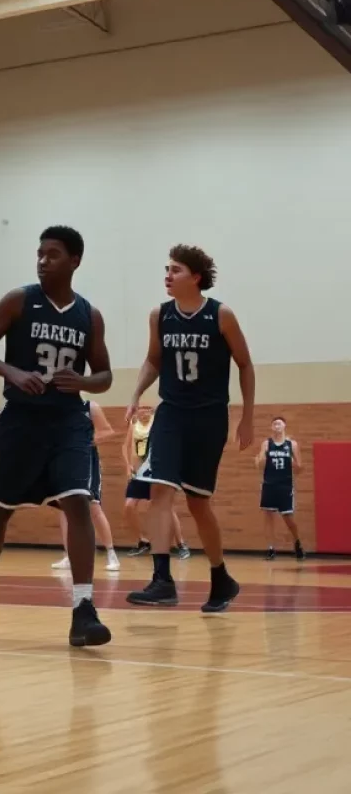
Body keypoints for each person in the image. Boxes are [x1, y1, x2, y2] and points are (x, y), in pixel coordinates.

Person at [0, 226, 113, 648]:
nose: (42, 261)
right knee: (0, 509)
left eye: (52, 254)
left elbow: (105, 375)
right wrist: (11, 372)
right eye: (39, 254)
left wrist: (84, 382)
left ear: (75, 260)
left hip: (69, 424)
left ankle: (83, 610)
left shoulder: (88, 315)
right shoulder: (19, 300)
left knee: (78, 502)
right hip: (22, 422)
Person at [126, 244, 254, 613]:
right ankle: (162, 580)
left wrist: (247, 416)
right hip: (171, 415)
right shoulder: (160, 315)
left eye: (176, 270)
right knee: (160, 491)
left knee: (199, 504)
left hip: (209, 418)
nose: (168, 275)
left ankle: (221, 578)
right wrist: (136, 392)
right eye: (167, 269)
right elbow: (154, 359)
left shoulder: (221, 315)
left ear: (195, 277)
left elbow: (244, 364)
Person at [50, 400, 120, 572]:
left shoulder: (90, 407)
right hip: (63, 462)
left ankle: (111, 554)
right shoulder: (55, 408)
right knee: (63, 508)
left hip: (86, 461)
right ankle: (69, 555)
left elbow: (107, 431)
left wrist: (83, 440)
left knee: (93, 507)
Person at [121, 406, 191, 559]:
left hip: (157, 471)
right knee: (129, 506)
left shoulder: (158, 424)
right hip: (139, 473)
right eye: (141, 409)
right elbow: (125, 447)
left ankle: (181, 544)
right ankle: (142, 541)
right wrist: (128, 466)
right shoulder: (133, 426)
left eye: (147, 409)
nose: (143, 412)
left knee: (166, 507)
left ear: (152, 412)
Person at [256, 416, 305, 560]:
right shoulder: (266, 444)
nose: (277, 425)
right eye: (274, 423)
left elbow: (299, 468)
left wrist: (292, 462)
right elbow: (259, 465)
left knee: (288, 518)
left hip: (285, 485)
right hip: (269, 484)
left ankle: (297, 542)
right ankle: (271, 548)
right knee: (269, 517)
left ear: (285, 426)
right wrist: (262, 458)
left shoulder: (292, 444)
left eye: (279, 423)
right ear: (272, 427)